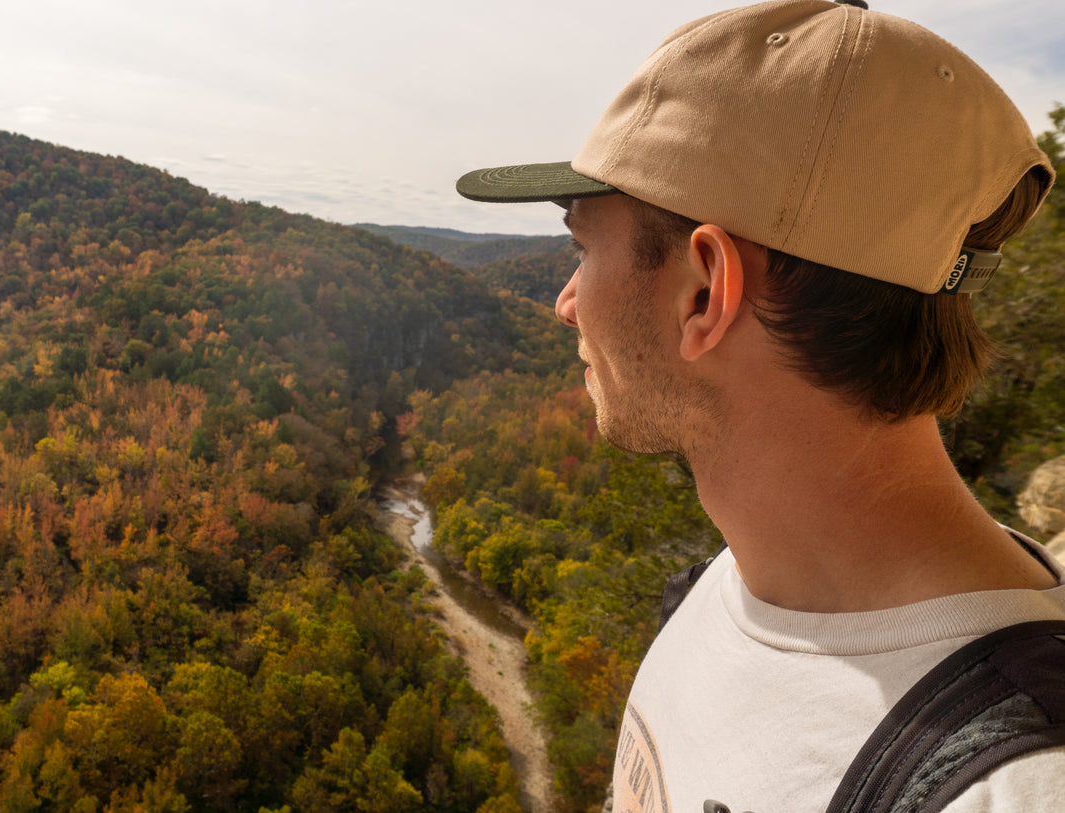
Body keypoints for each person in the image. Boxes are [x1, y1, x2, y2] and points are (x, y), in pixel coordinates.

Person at [455, 0, 1064, 810]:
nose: (566, 302)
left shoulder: (1009, 786)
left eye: (580, 247)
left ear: (704, 290)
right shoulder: (741, 583)